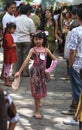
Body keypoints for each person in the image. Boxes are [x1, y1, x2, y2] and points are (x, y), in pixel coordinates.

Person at [15, 31, 57, 119]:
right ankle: (37, 111)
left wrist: (48, 70)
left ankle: (38, 102)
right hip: (35, 73)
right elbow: (26, 60)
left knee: (41, 90)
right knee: (36, 92)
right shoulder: (32, 50)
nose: (38, 41)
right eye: (36, 39)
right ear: (33, 40)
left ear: (43, 40)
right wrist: (19, 71)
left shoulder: (46, 50)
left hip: (42, 74)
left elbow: (55, 60)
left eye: (40, 39)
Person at [15, 4, 36, 77]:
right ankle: (25, 72)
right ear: (27, 12)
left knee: (17, 56)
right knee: (26, 56)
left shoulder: (16, 19)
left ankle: (16, 71)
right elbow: (33, 31)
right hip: (26, 39)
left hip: (17, 40)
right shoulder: (30, 20)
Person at [3, 22, 17, 86]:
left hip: (7, 54)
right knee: (7, 68)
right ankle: (6, 82)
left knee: (7, 67)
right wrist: (14, 45)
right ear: (9, 29)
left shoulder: (7, 35)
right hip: (8, 54)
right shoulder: (8, 36)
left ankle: (6, 81)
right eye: (13, 29)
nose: (14, 30)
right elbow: (9, 45)